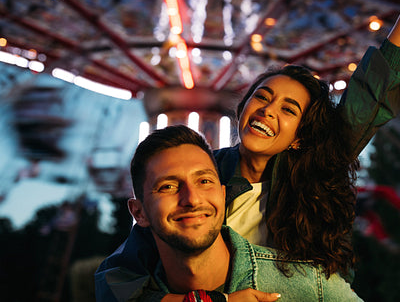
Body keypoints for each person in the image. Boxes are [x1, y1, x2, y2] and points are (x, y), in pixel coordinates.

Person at [95, 0, 400, 301]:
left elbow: (374, 89)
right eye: (262, 97)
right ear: (243, 107)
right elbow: (115, 277)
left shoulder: (313, 173)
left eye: (288, 109)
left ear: (300, 136)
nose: (268, 110)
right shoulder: (202, 179)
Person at [96, 125, 363, 301]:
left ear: (223, 196)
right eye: (168, 186)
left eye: (204, 181)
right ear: (138, 213)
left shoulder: (309, 287)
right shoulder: (127, 278)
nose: (191, 199)